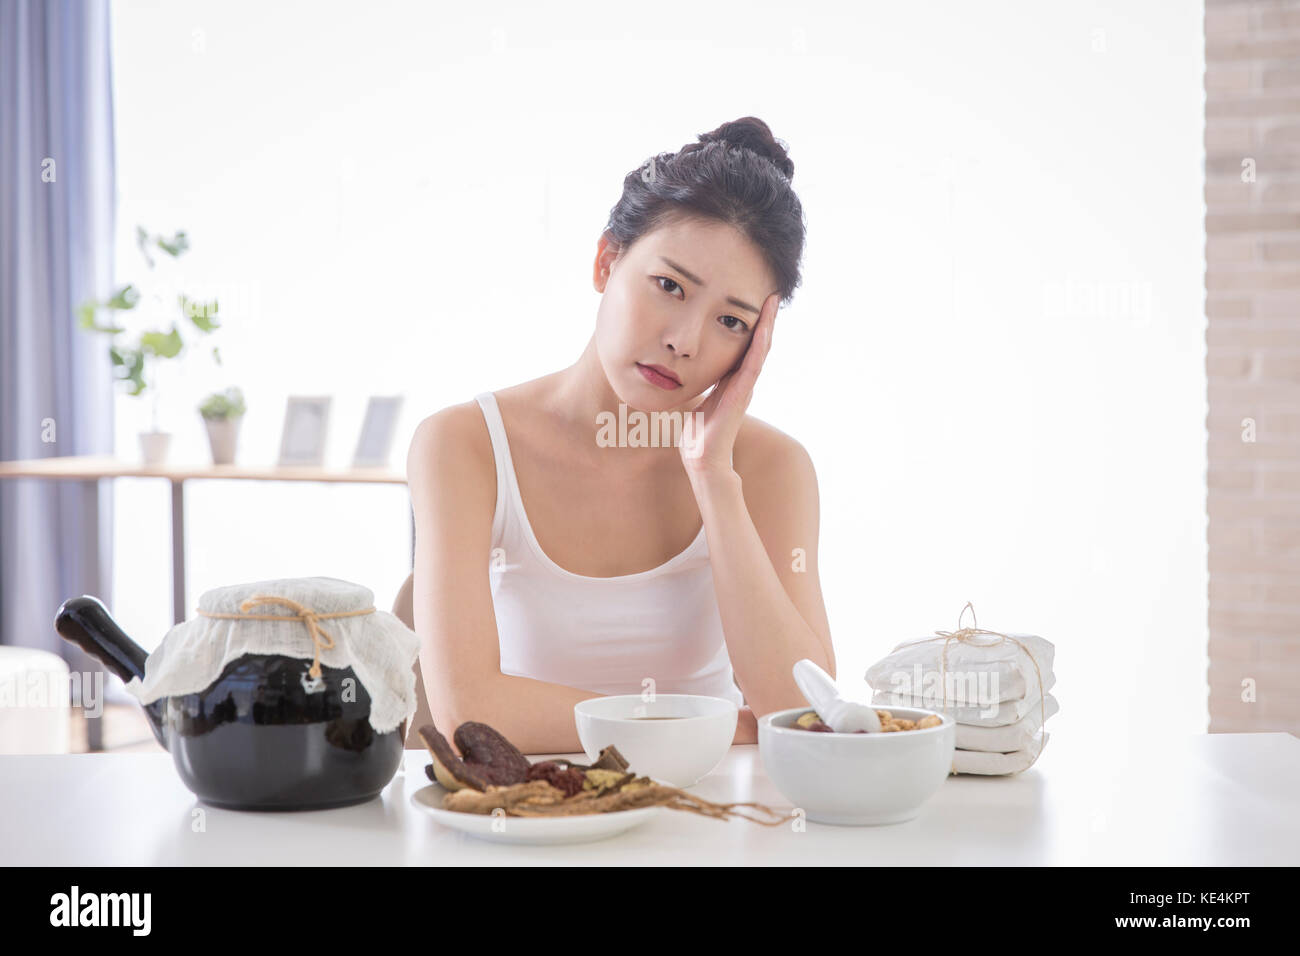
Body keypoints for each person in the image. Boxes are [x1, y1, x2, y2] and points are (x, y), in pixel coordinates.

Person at [407, 116, 834, 754]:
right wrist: (713, 728)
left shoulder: (771, 467)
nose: (685, 341)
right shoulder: (463, 445)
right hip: (537, 827)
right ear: (607, 261)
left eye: (730, 321)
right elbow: (469, 711)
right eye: (669, 287)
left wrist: (714, 477)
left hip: (714, 826)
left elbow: (810, 714)